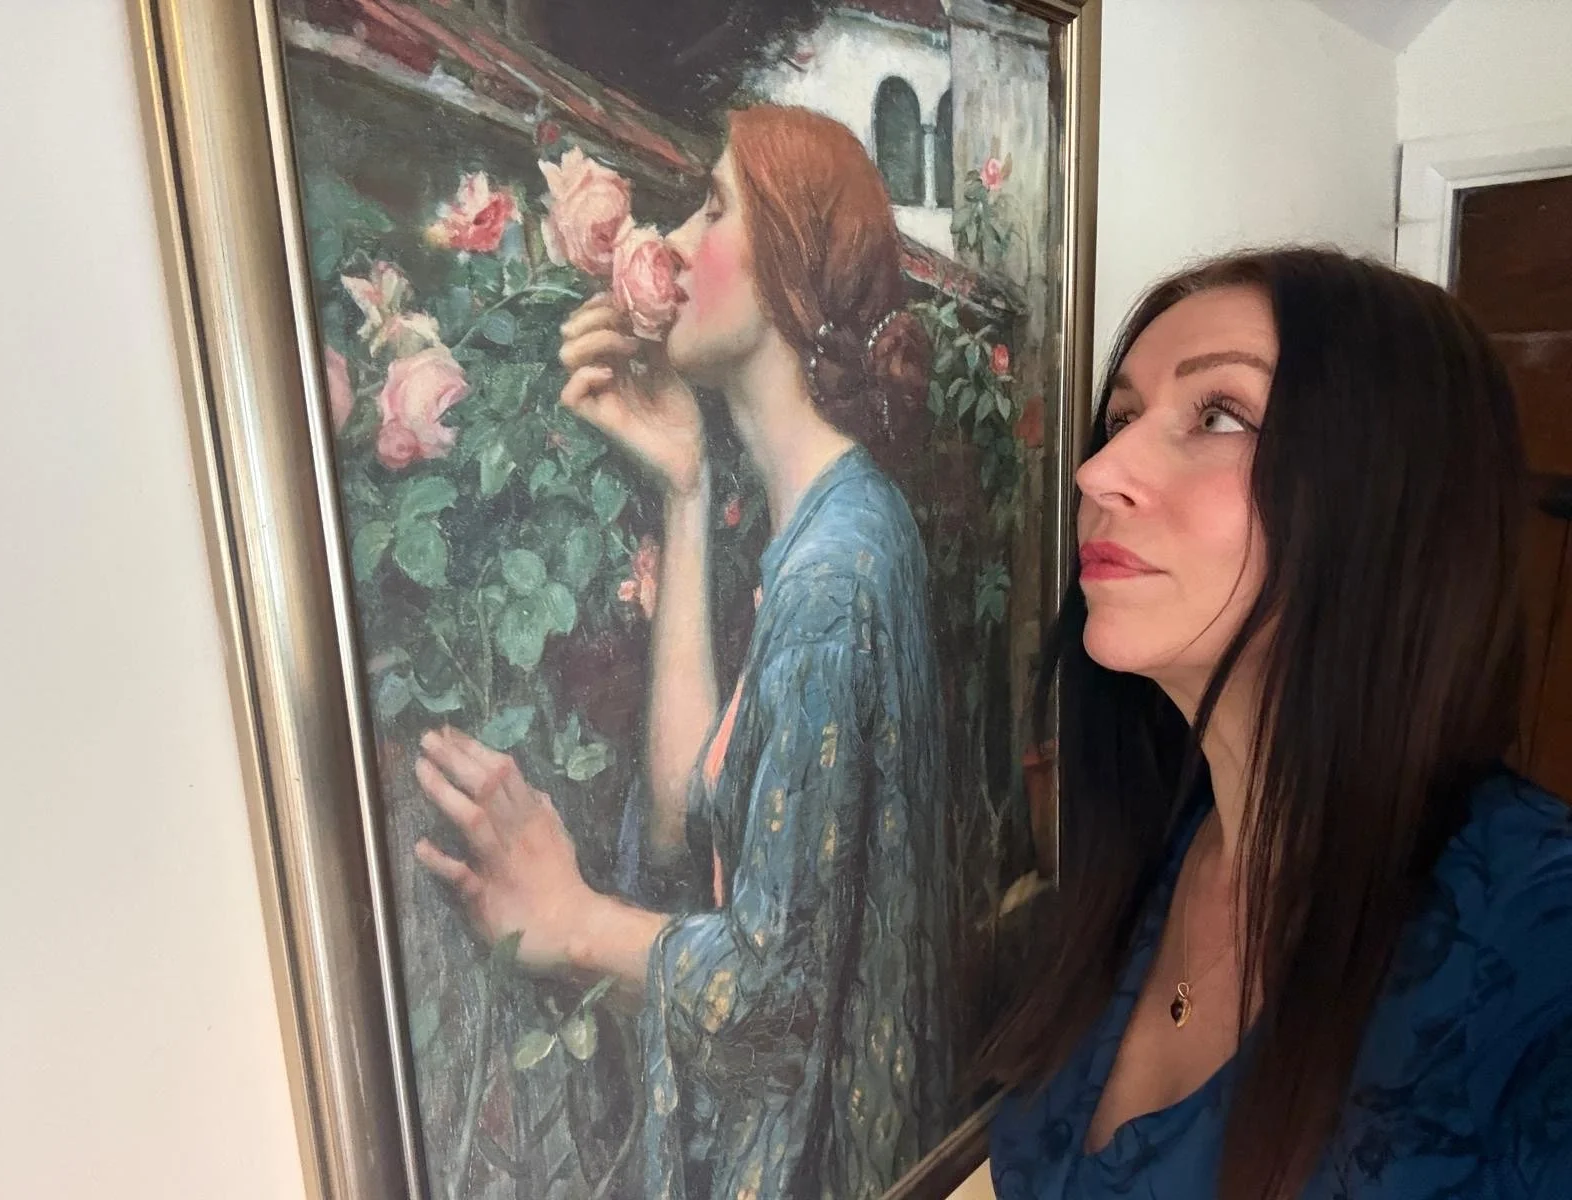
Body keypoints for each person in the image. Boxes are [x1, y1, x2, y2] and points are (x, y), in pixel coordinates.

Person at [411, 105, 952, 1199]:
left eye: (712, 207)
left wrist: (570, 921)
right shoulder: (830, 524)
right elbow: (682, 819)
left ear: (790, 270)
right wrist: (688, 487)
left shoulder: (834, 573)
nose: (670, 238)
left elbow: (774, 1001)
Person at [981, 247, 1572, 1198]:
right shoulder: (1147, 847)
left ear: (1394, 497)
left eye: (1219, 414)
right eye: (1122, 418)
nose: (1097, 471)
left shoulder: (1538, 948)